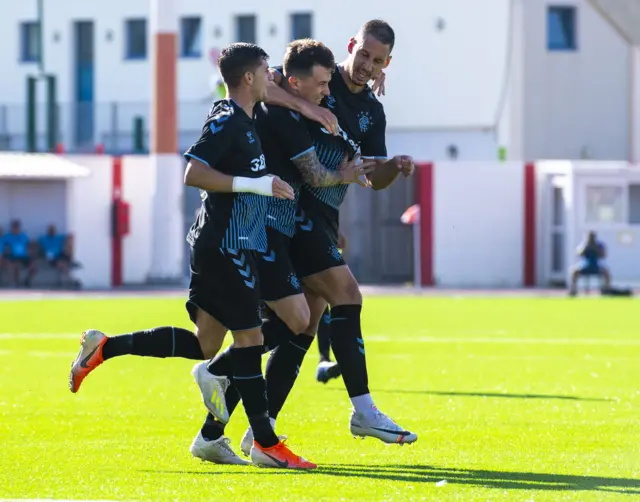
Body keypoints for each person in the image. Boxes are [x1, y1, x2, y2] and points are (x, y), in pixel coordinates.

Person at [69, 42, 316, 470]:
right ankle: (268, 442)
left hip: (229, 243)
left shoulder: (247, 117)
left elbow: (272, 98)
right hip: (225, 246)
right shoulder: (225, 119)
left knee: (206, 344)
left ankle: (104, 347)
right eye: (264, 71)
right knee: (250, 340)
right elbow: (193, 172)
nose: (269, 78)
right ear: (248, 78)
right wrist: (258, 185)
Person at [190, 39, 375, 463]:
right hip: (243, 236)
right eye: (322, 84)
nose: (327, 93)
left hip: (265, 233)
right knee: (281, 325)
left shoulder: (258, 109)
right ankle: (260, 436)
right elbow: (194, 172)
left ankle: (219, 430)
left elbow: (275, 88)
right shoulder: (236, 114)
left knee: (260, 332)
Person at [569, 231, 611, 296]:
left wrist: (596, 249)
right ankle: (573, 289)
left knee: (606, 271)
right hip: (585, 266)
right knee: (574, 271)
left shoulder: (599, 245)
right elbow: (578, 253)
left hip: (596, 265)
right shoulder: (584, 245)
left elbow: (604, 255)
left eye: (592, 237)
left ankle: (606, 289)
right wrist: (586, 246)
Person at [1, 220, 36, 287]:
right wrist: (4, 253)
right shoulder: (7, 236)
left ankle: (27, 280)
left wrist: (31, 252)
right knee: (15, 265)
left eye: (17, 227)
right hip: (12, 256)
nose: (15, 229)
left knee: (33, 267)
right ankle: (15, 282)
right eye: (14, 227)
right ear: (11, 228)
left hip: (24, 256)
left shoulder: (24, 235)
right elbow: (2, 245)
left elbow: (29, 245)